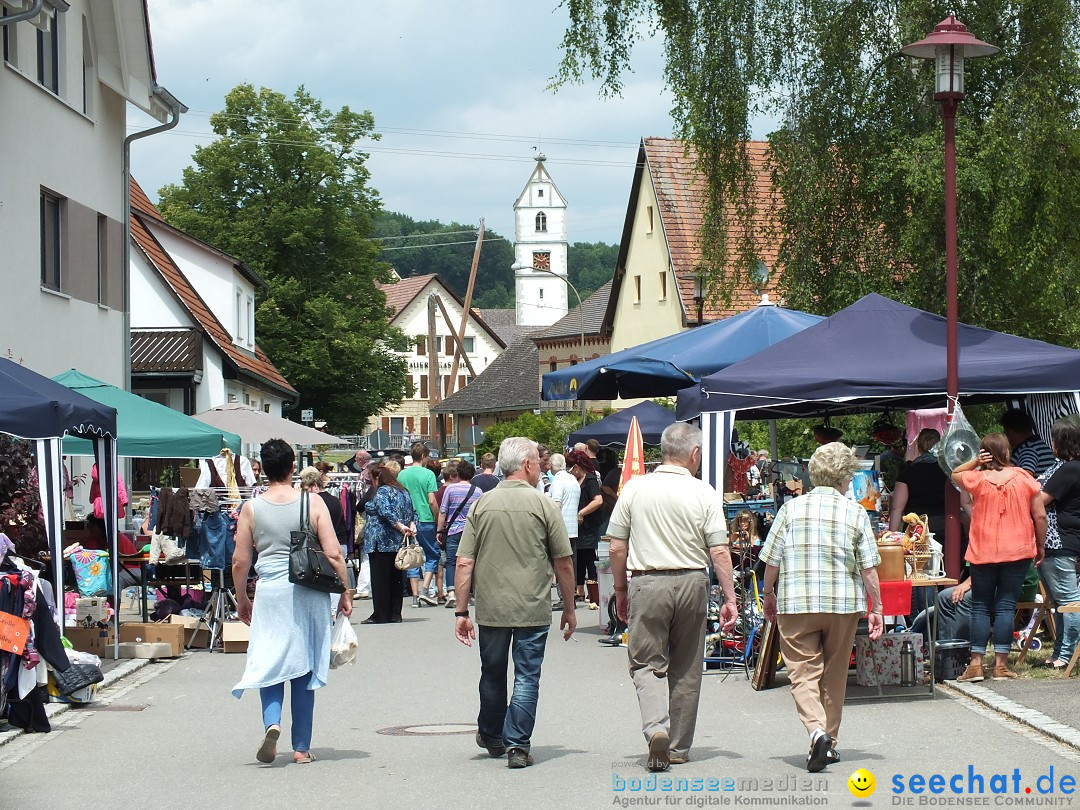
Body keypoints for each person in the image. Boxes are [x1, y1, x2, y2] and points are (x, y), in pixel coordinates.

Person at [607, 422, 737, 773]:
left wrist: (620, 589)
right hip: (693, 581)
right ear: (694, 454)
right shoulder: (704, 492)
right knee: (687, 666)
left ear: (662, 451)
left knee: (647, 663)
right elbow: (720, 550)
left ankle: (656, 729)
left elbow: (617, 545)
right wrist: (730, 598)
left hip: (648, 582)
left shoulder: (635, 488)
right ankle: (678, 747)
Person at [760, 441, 883, 773]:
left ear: (813, 473)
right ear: (846, 478)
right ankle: (829, 742)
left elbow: (772, 559)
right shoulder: (856, 512)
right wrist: (878, 608)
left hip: (797, 602)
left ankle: (816, 731)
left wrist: (768, 592)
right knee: (835, 674)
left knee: (802, 672)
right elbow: (868, 567)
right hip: (842, 604)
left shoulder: (791, 509)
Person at [454, 437, 575, 769]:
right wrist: (569, 607)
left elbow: (464, 561)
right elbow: (563, 562)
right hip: (532, 606)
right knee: (526, 675)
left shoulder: (481, 504)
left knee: (492, 672)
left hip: (491, 606)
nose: (541, 466)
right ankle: (518, 745)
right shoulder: (544, 505)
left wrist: (462, 611)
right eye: (538, 461)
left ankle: (492, 734)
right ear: (527, 465)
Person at [230, 438, 353, 765]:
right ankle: (300, 748)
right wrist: (345, 591)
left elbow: (240, 561)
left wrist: (242, 598)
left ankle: (272, 723)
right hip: (308, 590)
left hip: (270, 591)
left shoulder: (251, 508)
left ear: (264, 469)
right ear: (292, 468)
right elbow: (334, 553)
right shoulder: (312, 504)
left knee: (269, 659)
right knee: (305, 664)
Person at [951, 433, 1044, 682]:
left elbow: (955, 473)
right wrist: (1041, 546)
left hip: (983, 552)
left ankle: (976, 664)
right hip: (1018, 551)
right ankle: (1001, 665)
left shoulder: (978, 478)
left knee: (980, 606)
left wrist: (974, 461)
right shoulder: (1025, 478)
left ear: (985, 453)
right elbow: (1040, 516)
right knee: (1005, 606)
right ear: (1006, 452)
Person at [1033, 418, 1080, 671]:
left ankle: (1067, 655)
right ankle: (1061, 652)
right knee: (1060, 603)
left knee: (1069, 601)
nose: (1050, 443)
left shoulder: (1070, 469)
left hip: (1059, 541)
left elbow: (1041, 499)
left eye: (1052, 439)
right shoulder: (1064, 467)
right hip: (1056, 543)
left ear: (1061, 442)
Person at [361, 461, 418, 624]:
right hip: (398, 542)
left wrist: (400, 527)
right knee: (396, 578)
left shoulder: (383, 491)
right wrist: (411, 526)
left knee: (380, 579)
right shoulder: (403, 491)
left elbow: (385, 511)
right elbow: (413, 512)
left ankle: (381, 613)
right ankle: (395, 613)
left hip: (380, 539)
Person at [397, 442, 441, 607]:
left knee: (412, 555)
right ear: (423, 456)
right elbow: (431, 501)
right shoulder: (428, 474)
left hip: (408, 520)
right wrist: (437, 518)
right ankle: (424, 590)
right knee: (432, 553)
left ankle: (415, 597)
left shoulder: (402, 475)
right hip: (425, 518)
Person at [438, 459, 481, 610]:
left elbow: (443, 511)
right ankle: (469, 593)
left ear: (458, 474)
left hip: (453, 529)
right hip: (470, 531)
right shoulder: (477, 491)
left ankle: (451, 592)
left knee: (451, 561)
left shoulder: (450, 489)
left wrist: (439, 530)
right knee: (470, 561)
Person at [568, 449, 603, 603]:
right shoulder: (576, 481)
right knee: (580, 557)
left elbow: (598, 500)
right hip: (579, 526)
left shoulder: (590, 479)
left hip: (589, 524)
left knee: (589, 556)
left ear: (577, 466)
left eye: (571, 468)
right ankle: (580, 589)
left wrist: (582, 513)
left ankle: (594, 591)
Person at [299, 463, 349, 557]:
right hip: (340, 544)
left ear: (314, 486)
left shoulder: (315, 503)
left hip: (327, 549)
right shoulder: (335, 500)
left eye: (306, 489)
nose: (304, 493)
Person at [1001, 410, 1056, 477]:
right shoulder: (1040, 444)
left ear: (1011, 432)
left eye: (1005, 432)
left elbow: (1026, 475)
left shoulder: (1027, 450)